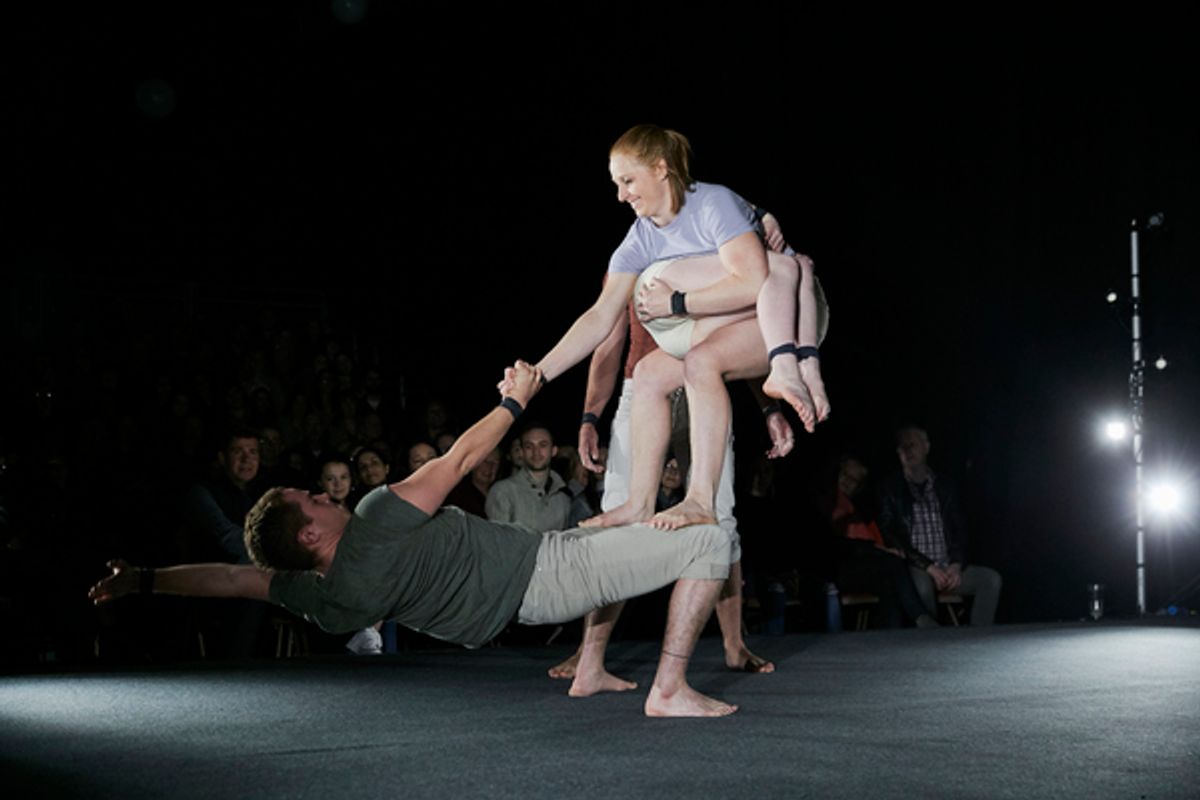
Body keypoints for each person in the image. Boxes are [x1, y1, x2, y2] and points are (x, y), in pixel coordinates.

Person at [90, 362, 739, 717]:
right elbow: (457, 462)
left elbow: (232, 579)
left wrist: (147, 579)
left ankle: (590, 672)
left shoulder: (324, 596)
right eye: (311, 499)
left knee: (613, 534)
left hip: (522, 595)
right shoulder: (375, 519)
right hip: (544, 574)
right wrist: (516, 400)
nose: (322, 492)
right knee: (713, 540)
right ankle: (670, 689)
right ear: (311, 531)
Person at [529, 123, 828, 533]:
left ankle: (702, 499)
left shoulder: (711, 204)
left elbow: (757, 279)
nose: (621, 195)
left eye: (628, 180)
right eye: (616, 184)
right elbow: (600, 317)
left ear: (660, 168)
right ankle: (638, 502)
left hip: (791, 311)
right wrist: (538, 372)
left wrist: (675, 303)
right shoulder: (640, 238)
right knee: (651, 371)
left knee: (702, 359)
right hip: (733, 322)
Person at [877, 426, 1003, 625]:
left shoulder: (945, 485)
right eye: (903, 447)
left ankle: (980, 640)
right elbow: (891, 534)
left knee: (990, 580)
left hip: (948, 567)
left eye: (913, 444)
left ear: (926, 447)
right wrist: (929, 567)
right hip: (917, 568)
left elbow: (960, 528)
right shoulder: (890, 488)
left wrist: (956, 564)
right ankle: (931, 646)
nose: (908, 450)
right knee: (922, 589)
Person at [826, 455, 937, 629]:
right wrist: (881, 551)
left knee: (889, 583)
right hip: (836, 568)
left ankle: (890, 637)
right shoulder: (828, 501)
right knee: (892, 563)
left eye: (854, 480)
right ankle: (920, 616)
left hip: (862, 566)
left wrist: (882, 550)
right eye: (845, 476)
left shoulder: (858, 507)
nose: (848, 482)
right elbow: (842, 546)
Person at [484, 423, 571, 534]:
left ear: (553, 451)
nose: (536, 452)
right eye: (529, 446)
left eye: (543, 445)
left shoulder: (563, 497)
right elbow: (497, 542)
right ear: (522, 451)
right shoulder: (503, 492)